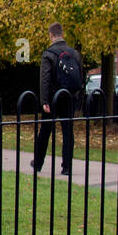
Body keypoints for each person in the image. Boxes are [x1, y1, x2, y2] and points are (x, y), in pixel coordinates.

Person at [32, 22, 84, 176]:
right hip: (69, 97)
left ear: (51, 35)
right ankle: (67, 166)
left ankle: (38, 162)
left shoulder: (49, 54)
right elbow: (80, 76)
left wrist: (44, 101)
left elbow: (45, 79)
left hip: (54, 98)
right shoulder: (74, 54)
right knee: (68, 131)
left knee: (45, 130)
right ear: (62, 34)